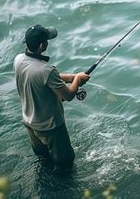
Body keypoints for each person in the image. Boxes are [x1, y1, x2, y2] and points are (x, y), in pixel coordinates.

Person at [13, 24, 90, 167]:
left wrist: (72, 77)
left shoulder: (18, 60)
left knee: (43, 160)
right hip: (51, 128)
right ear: (43, 45)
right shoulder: (47, 70)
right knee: (65, 164)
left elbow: (43, 78)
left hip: (30, 123)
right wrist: (78, 80)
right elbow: (68, 96)